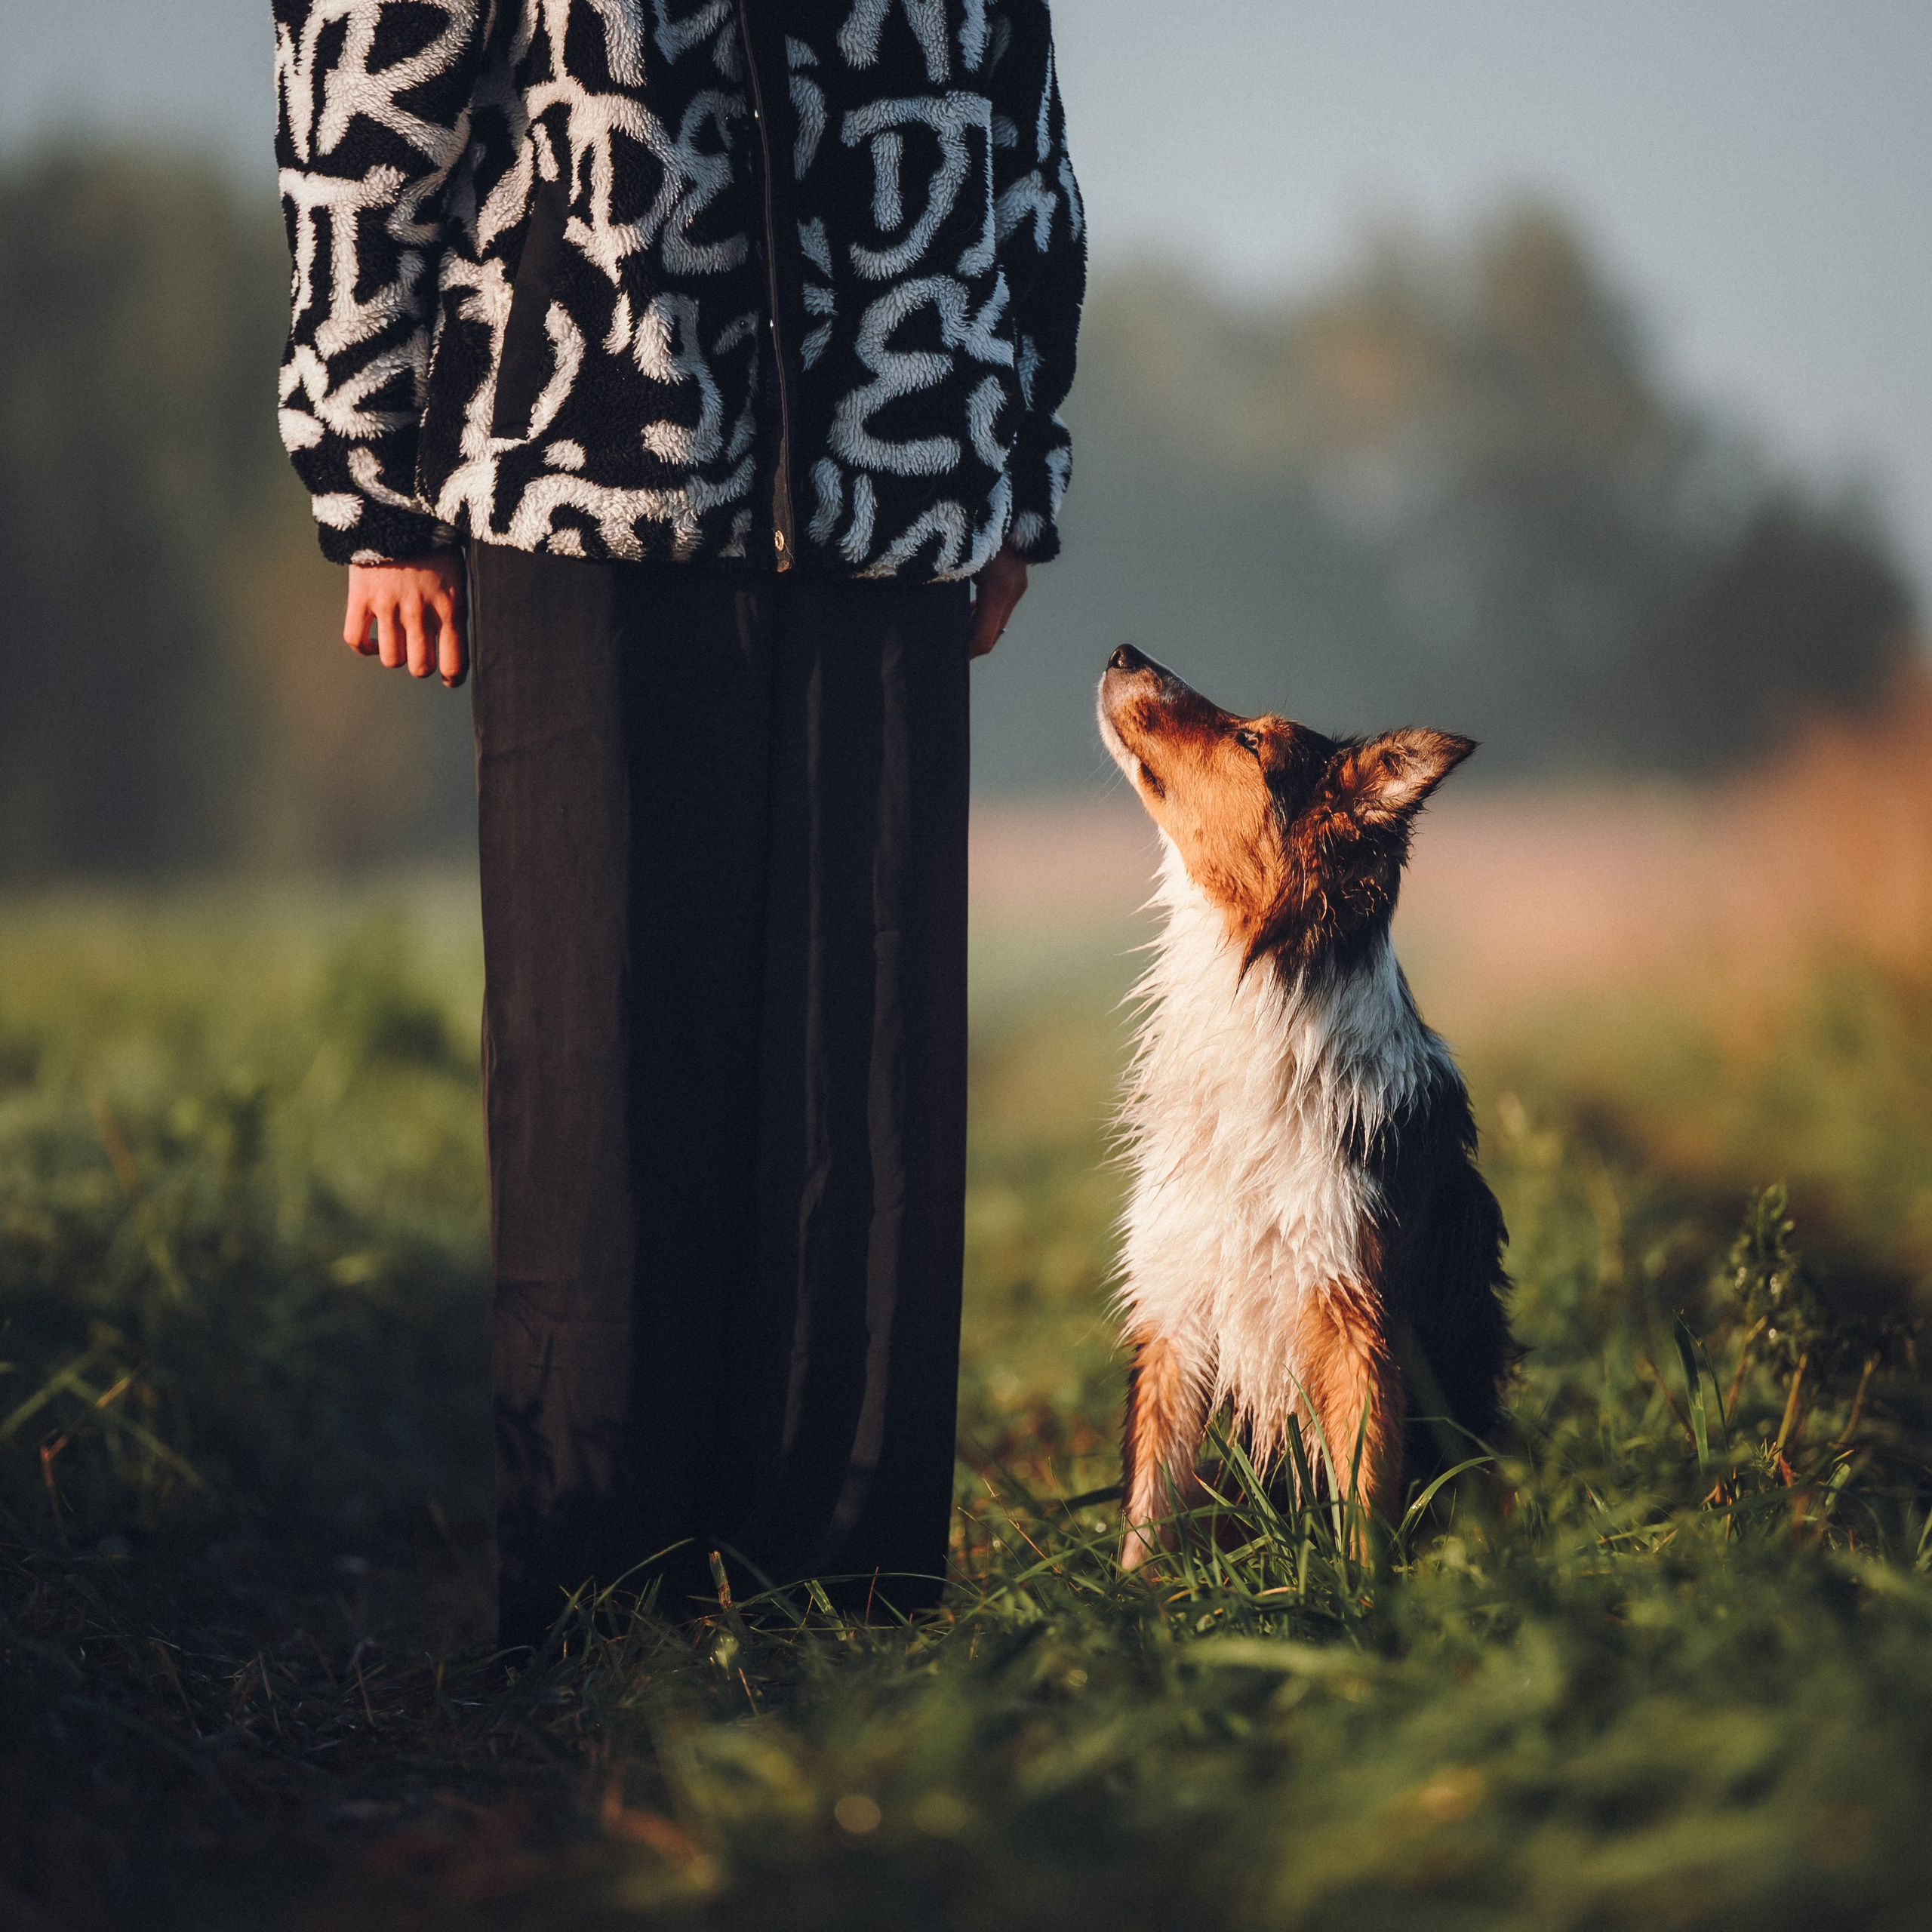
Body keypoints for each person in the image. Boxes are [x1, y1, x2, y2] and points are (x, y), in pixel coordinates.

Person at [273, 0, 1084, 1645]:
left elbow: (1019, 137)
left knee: (866, 1065)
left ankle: (846, 1602)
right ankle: (601, 1600)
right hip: (586, 463)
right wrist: (369, 483)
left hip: (892, 471)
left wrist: (1010, 466)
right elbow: (361, 94)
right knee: (600, 1048)